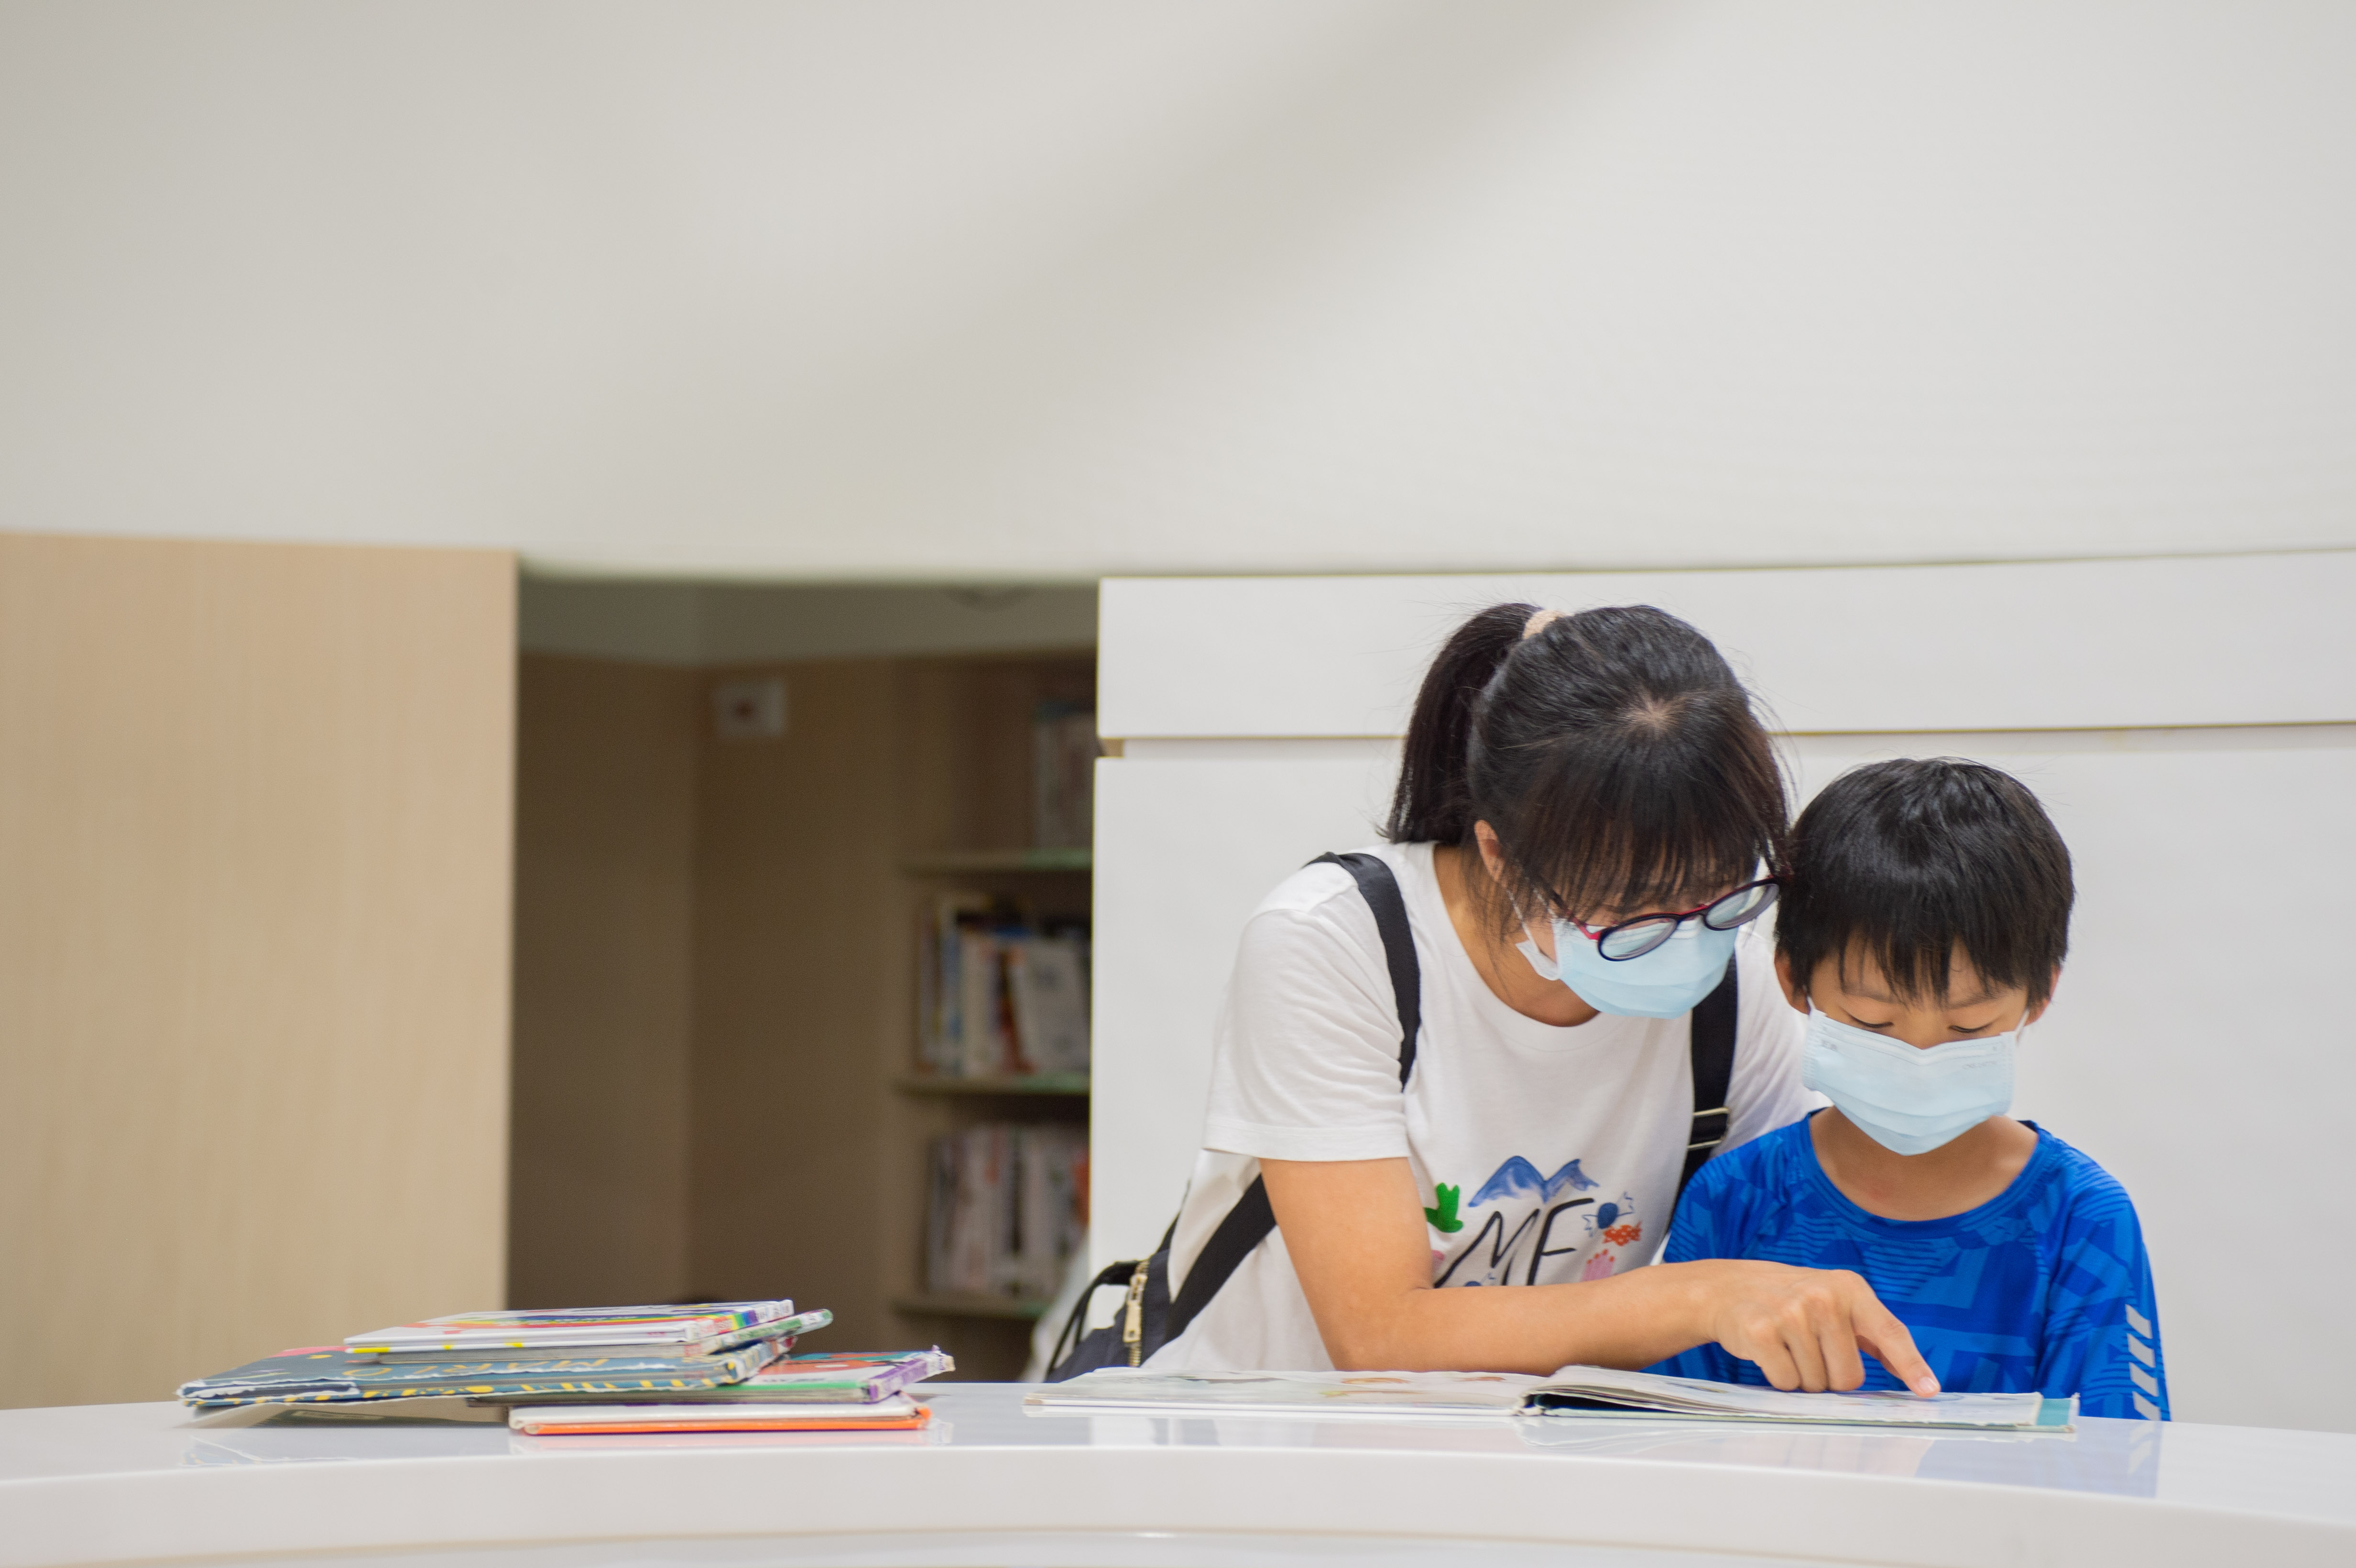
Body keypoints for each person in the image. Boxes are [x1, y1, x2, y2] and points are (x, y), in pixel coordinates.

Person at [1144, 602, 1939, 1395]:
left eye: (1721, 892)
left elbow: (1787, 1235)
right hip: (1260, 1445)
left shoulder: (1734, 988)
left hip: (1522, 1460)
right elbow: (1379, 1333)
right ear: (1499, 853)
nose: (1689, 933)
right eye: (1632, 910)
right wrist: (1697, 1297)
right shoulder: (1336, 941)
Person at [1649, 759, 2168, 1418]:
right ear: (1793, 980)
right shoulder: (1735, 1202)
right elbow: (1675, 1443)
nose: (1921, 1055)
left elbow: (2120, 1469)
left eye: (1968, 1024)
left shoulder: (2079, 1221)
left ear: (2040, 997)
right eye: (1874, 1021)